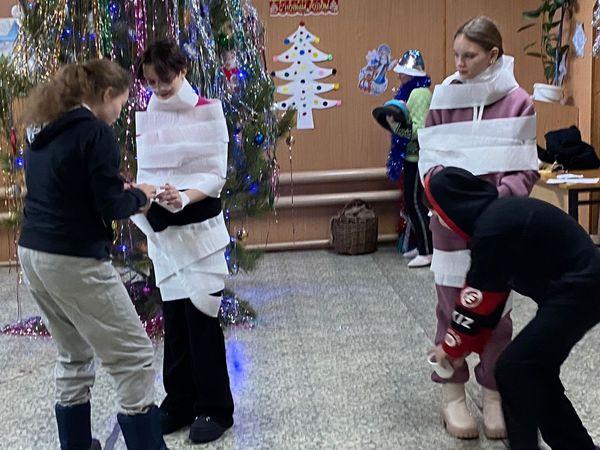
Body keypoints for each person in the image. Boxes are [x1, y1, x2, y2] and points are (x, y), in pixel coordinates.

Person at [18, 59, 168, 450]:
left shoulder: (43, 128)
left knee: (73, 353)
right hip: (74, 257)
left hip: (32, 252)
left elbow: (66, 189)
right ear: (106, 94)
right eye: (121, 103)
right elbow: (110, 206)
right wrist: (141, 196)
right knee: (134, 356)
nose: (120, 113)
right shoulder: (94, 133)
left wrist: (112, 190)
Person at [417, 16, 540, 439]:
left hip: (498, 227)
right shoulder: (444, 97)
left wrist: (496, 209)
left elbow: (525, 168)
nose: (459, 63)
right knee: (450, 308)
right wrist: (448, 205)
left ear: (493, 55)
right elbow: (430, 161)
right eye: (456, 55)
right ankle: (452, 394)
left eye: (469, 56)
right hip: (449, 225)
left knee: (497, 314)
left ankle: (492, 394)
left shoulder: (519, 102)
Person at [426, 166, 600, 450]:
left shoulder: (492, 228)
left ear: (453, 206)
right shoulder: (496, 220)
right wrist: (466, 347)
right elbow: (491, 302)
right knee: (534, 371)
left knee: (513, 369)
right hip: (577, 288)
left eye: (436, 211)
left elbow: (475, 298)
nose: (436, 219)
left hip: (580, 288)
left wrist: (451, 348)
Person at [133, 39, 234, 444]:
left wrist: (184, 196)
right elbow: (147, 171)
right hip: (165, 235)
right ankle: (178, 401)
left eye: (165, 80)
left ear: (183, 71)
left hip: (200, 230)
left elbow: (215, 174)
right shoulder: (150, 116)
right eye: (151, 82)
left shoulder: (208, 112)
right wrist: (149, 194)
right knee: (175, 324)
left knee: (202, 322)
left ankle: (215, 407)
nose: (158, 89)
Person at [387, 49, 433, 268]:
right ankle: (423, 245)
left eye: (402, 72)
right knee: (413, 203)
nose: (399, 76)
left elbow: (420, 129)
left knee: (414, 203)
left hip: (417, 157)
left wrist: (396, 127)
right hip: (412, 155)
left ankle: (427, 251)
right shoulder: (413, 92)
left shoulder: (419, 94)